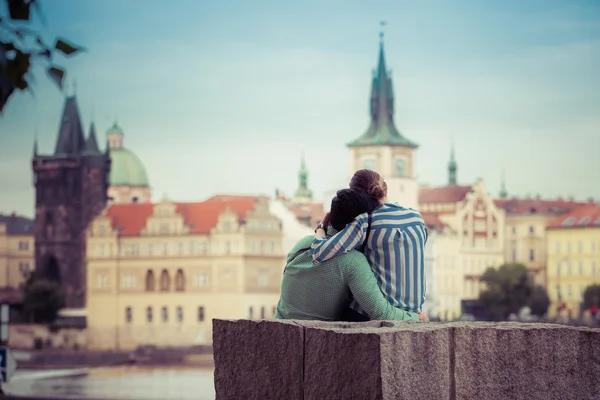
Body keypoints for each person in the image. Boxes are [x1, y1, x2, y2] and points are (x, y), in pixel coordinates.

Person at [274, 188, 427, 322]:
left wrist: (321, 228)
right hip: (315, 340)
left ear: (330, 215)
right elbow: (381, 313)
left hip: (277, 328)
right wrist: (415, 318)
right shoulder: (353, 262)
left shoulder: (303, 243)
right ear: (359, 224)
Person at [312, 169, 428, 321]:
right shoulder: (416, 217)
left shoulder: (366, 221)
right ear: (385, 189)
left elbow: (319, 253)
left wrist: (321, 227)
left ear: (358, 195)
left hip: (381, 314)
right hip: (416, 311)